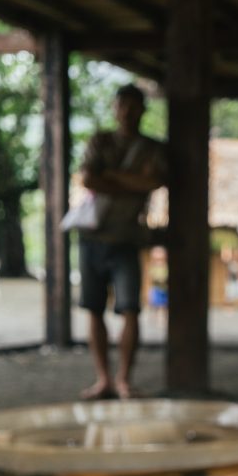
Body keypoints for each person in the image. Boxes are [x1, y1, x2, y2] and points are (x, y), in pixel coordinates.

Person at [79, 83, 165, 400]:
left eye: (134, 106)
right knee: (94, 309)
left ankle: (124, 379)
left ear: (143, 110)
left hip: (127, 238)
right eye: (122, 106)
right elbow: (88, 178)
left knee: (130, 309)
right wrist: (131, 182)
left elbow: (153, 181)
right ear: (115, 108)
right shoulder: (100, 140)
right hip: (92, 235)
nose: (127, 112)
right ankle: (104, 380)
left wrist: (111, 176)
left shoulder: (152, 148)